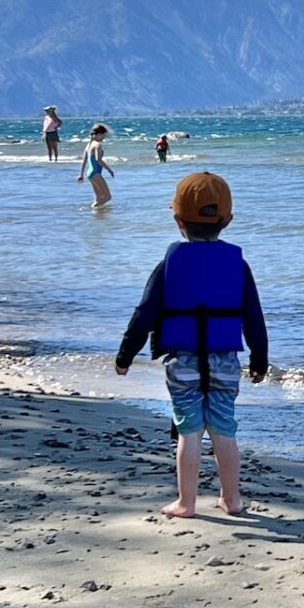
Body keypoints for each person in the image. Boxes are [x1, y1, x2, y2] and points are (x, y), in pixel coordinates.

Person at [115, 172, 269, 518]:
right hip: (226, 361)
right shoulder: (238, 266)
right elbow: (254, 318)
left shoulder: (169, 265)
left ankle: (186, 503)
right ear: (227, 220)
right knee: (224, 429)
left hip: (182, 361)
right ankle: (231, 499)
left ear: (177, 220)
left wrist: (125, 355)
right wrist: (260, 360)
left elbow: (145, 314)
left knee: (189, 430)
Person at [77, 123, 115, 208]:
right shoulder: (97, 145)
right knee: (107, 197)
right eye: (103, 136)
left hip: (89, 174)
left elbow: (84, 161)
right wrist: (109, 170)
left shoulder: (88, 145)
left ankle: (97, 216)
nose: (104, 138)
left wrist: (81, 174)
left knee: (99, 198)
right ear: (98, 134)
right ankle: (93, 208)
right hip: (96, 173)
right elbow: (98, 160)